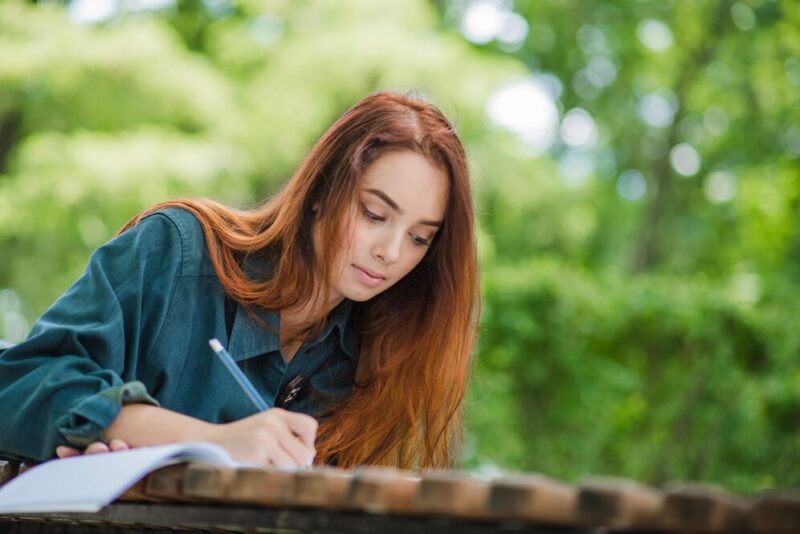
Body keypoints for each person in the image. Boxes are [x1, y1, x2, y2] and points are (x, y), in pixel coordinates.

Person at [0, 91, 479, 470]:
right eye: (374, 214)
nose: (391, 253)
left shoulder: (377, 359)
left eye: (419, 238)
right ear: (319, 193)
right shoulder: (178, 250)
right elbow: (19, 383)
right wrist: (209, 441)